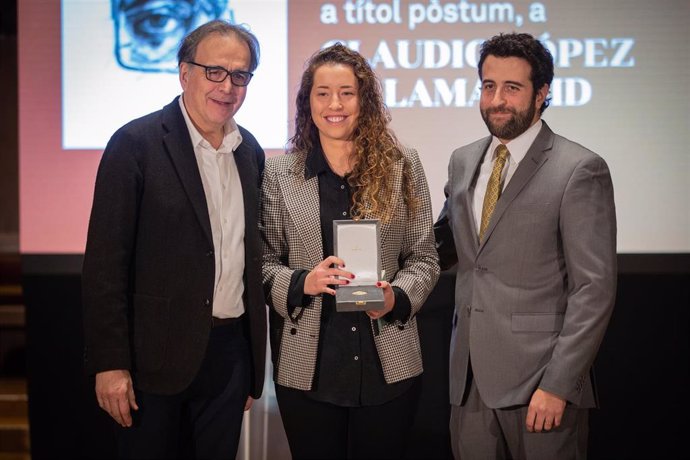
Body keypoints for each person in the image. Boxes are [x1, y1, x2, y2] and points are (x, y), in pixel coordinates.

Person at [81, 19, 266, 459]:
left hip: (228, 358)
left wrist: (250, 369)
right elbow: (106, 263)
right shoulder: (134, 144)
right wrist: (110, 363)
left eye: (240, 75)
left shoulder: (249, 151)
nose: (228, 86)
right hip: (151, 363)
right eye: (215, 71)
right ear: (185, 73)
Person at [434, 32, 617, 459]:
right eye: (488, 86)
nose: (497, 99)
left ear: (542, 94)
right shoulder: (463, 160)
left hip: (540, 384)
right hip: (469, 383)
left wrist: (558, 384)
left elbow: (594, 290)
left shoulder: (579, 169)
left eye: (512, 88)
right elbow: (446, 245)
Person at [260, 43, 440, 459]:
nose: (334, 104)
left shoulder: (401, 164)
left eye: (347, 92)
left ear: (365, 100)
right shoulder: (278, 173)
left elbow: (423, 257)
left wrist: (397, 296)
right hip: (309, 366)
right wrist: (305, 280)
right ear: (308, 101)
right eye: (322, 93)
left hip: (388, 362)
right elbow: (264, 264)